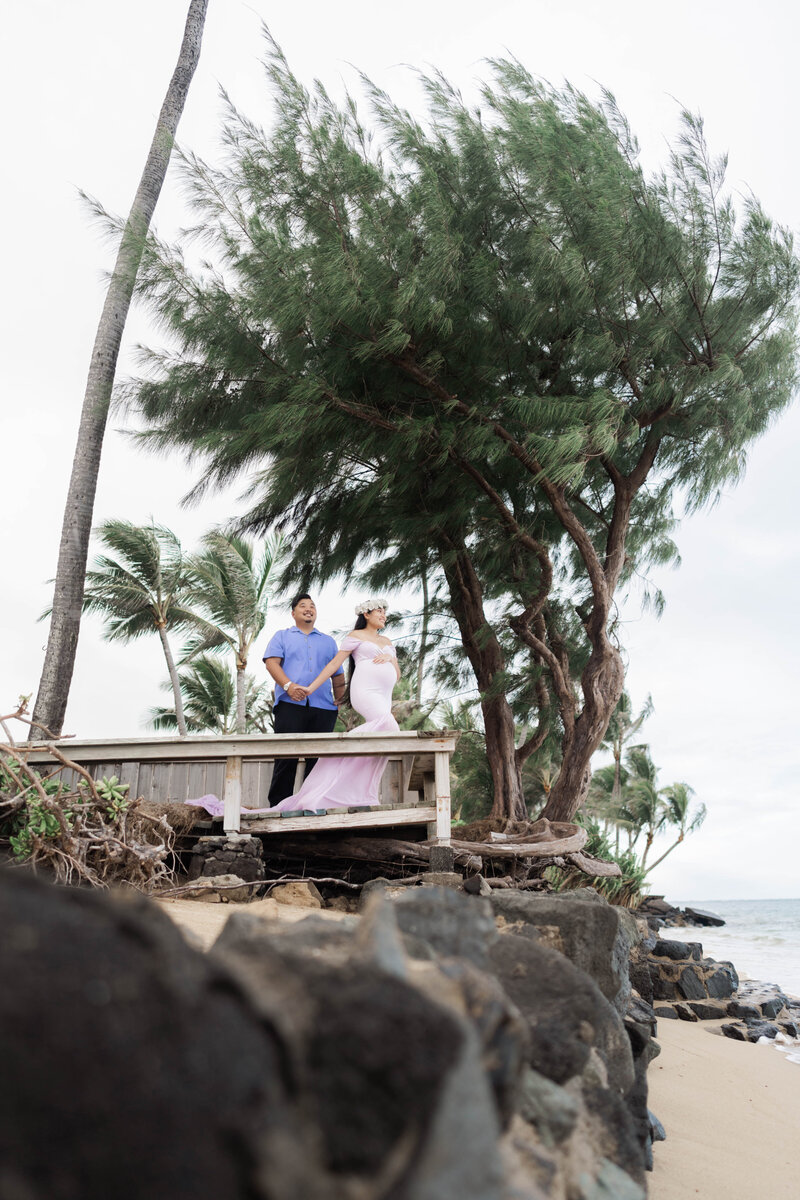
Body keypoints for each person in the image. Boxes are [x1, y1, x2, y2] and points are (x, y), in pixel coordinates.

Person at [272, 598, 400, 812]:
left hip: (382, 695)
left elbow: (396, 675)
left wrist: (390, 659)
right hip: (364, 692)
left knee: (383, 736)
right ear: (366, 614)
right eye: (379, 611)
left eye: (384, 613)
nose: (383, 615)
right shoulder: (355, 636)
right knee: (390, 728)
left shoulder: (386, 641)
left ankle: (356, 793)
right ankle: (332, 780)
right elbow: (334, 665)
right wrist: (310, 688)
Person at [263, 593, 346, 805]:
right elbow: (272, 663)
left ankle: (312, 805)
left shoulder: (328, 642)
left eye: (312, 606)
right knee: (286, 757)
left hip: (324, 708)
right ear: (293, 613)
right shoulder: (282, 636)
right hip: (290, 705)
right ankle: (279, 807)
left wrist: (339, 699)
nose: (308, 609)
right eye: (302, 606)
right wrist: (288, 686)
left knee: (318, 762)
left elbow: (337, 674)